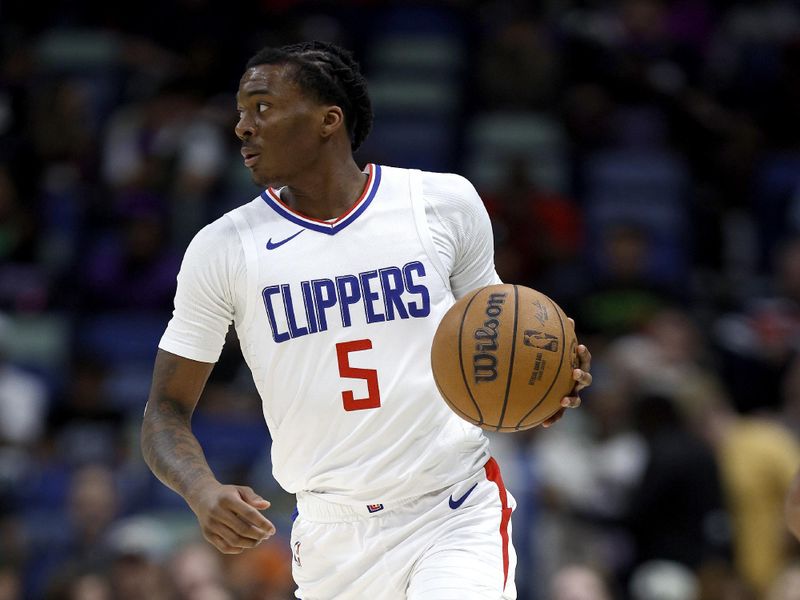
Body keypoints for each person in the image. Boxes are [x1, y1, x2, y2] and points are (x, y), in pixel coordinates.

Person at [140, 41, 592, 600]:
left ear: (329, 120)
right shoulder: (222, 249)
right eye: (240, 113)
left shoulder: (441, 204)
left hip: (450, 509)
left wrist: (541, 381)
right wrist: (201, 489)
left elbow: (496, 338)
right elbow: (164, 410)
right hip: (332, 535)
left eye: (261, 108)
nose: (242, 128)